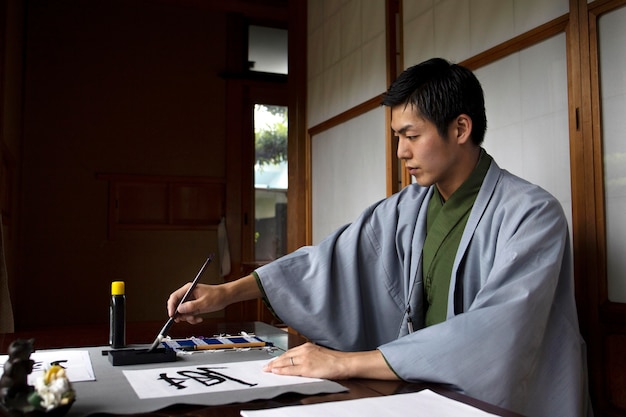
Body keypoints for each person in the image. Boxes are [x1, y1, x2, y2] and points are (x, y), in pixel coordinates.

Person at [167, 58, 593, 417]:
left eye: (412, 136)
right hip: (422, 392)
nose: (401, 152)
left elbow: (497, 333)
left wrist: (344, 363)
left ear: (460, 128)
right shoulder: (409, 207)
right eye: (397, 138)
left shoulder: (533, 214)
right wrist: (227, 293)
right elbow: (329, 261)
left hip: (504, 404)